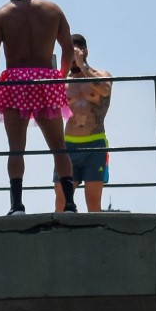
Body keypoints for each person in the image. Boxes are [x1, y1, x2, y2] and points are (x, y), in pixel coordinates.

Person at [0, 0, 77, 215]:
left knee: (16, 148)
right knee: (58, 146)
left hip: (14, 81)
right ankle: (69, 203)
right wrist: (59, 76)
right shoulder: (52, 10)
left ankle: (17, 205)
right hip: (45, 80)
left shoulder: (0, 16)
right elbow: (68, 48)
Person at [54, 33, 112, 212]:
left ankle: (96, 238)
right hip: (69, 144)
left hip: (94, 143)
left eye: (74, 51)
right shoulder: (62, 82)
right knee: (61, 200)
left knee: (93, 201)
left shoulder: (102, 75)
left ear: (84, 51)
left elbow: (104, 89)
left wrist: (82, 65)